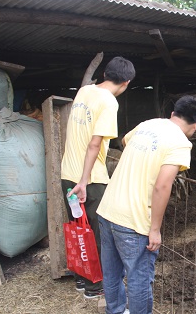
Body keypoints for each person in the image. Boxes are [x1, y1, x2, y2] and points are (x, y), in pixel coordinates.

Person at [97, 95, 196, 314]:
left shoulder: (148, 124)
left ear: (173, 114)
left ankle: (115, 311)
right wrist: (155, 229)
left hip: (107, 210)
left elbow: (125, 142)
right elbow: (162, 187)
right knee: (138, 279)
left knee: (111, 273)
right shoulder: (180, 144)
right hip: (133, 221)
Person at [61, 56, 136, 299]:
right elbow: (95, 144)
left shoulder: (84, 91)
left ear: (105, 74)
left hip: (67, 174)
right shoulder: (109, 102)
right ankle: (95, 287)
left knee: (79, 229)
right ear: (125, 83)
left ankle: (82, 281)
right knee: (98, 234)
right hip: (90, 180)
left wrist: (76, 180)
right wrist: (84, 181)